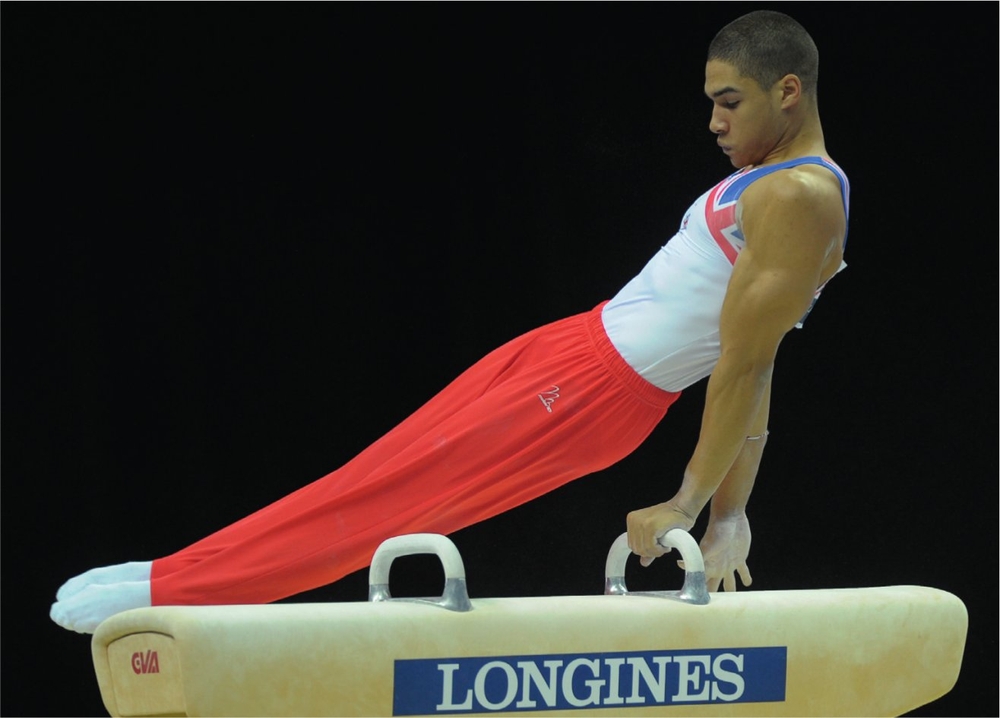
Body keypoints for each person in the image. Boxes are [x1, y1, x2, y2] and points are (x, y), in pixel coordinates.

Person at [50, 9, 849, 633]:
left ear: (789, 90)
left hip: (593, 396)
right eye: (710, 102)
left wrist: (691, 504)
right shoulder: (771, 183)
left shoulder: (798, 197)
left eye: (728, 102)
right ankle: (176, 573)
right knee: (372, 477)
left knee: (386, 502)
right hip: (571, 349)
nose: (713, 121)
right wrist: (730, 511)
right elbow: (757, 357)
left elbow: (747, 364)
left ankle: (169, 589)